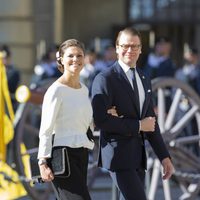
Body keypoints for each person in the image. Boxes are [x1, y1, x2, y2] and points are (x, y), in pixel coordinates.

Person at [91, 27, 174, 200]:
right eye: (126, 46)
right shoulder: (105, 79)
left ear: (141, 49)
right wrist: (138, 125)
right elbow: (100, 120)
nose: (130, 50)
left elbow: (151, 122)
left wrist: (164, 156)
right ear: (117, 48)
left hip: (138, 157)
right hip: (117, 156)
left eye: (135, 46)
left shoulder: (144, 78)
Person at [37, 39, 94, 200]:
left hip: (81, 154)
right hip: (61, 155)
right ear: (61, 59)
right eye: (70, 56)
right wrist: (42, 163)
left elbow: (85, 123)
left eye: (79, 55)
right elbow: (46, 129)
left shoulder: (84, 89)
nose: (75, 59)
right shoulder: (55, 90)